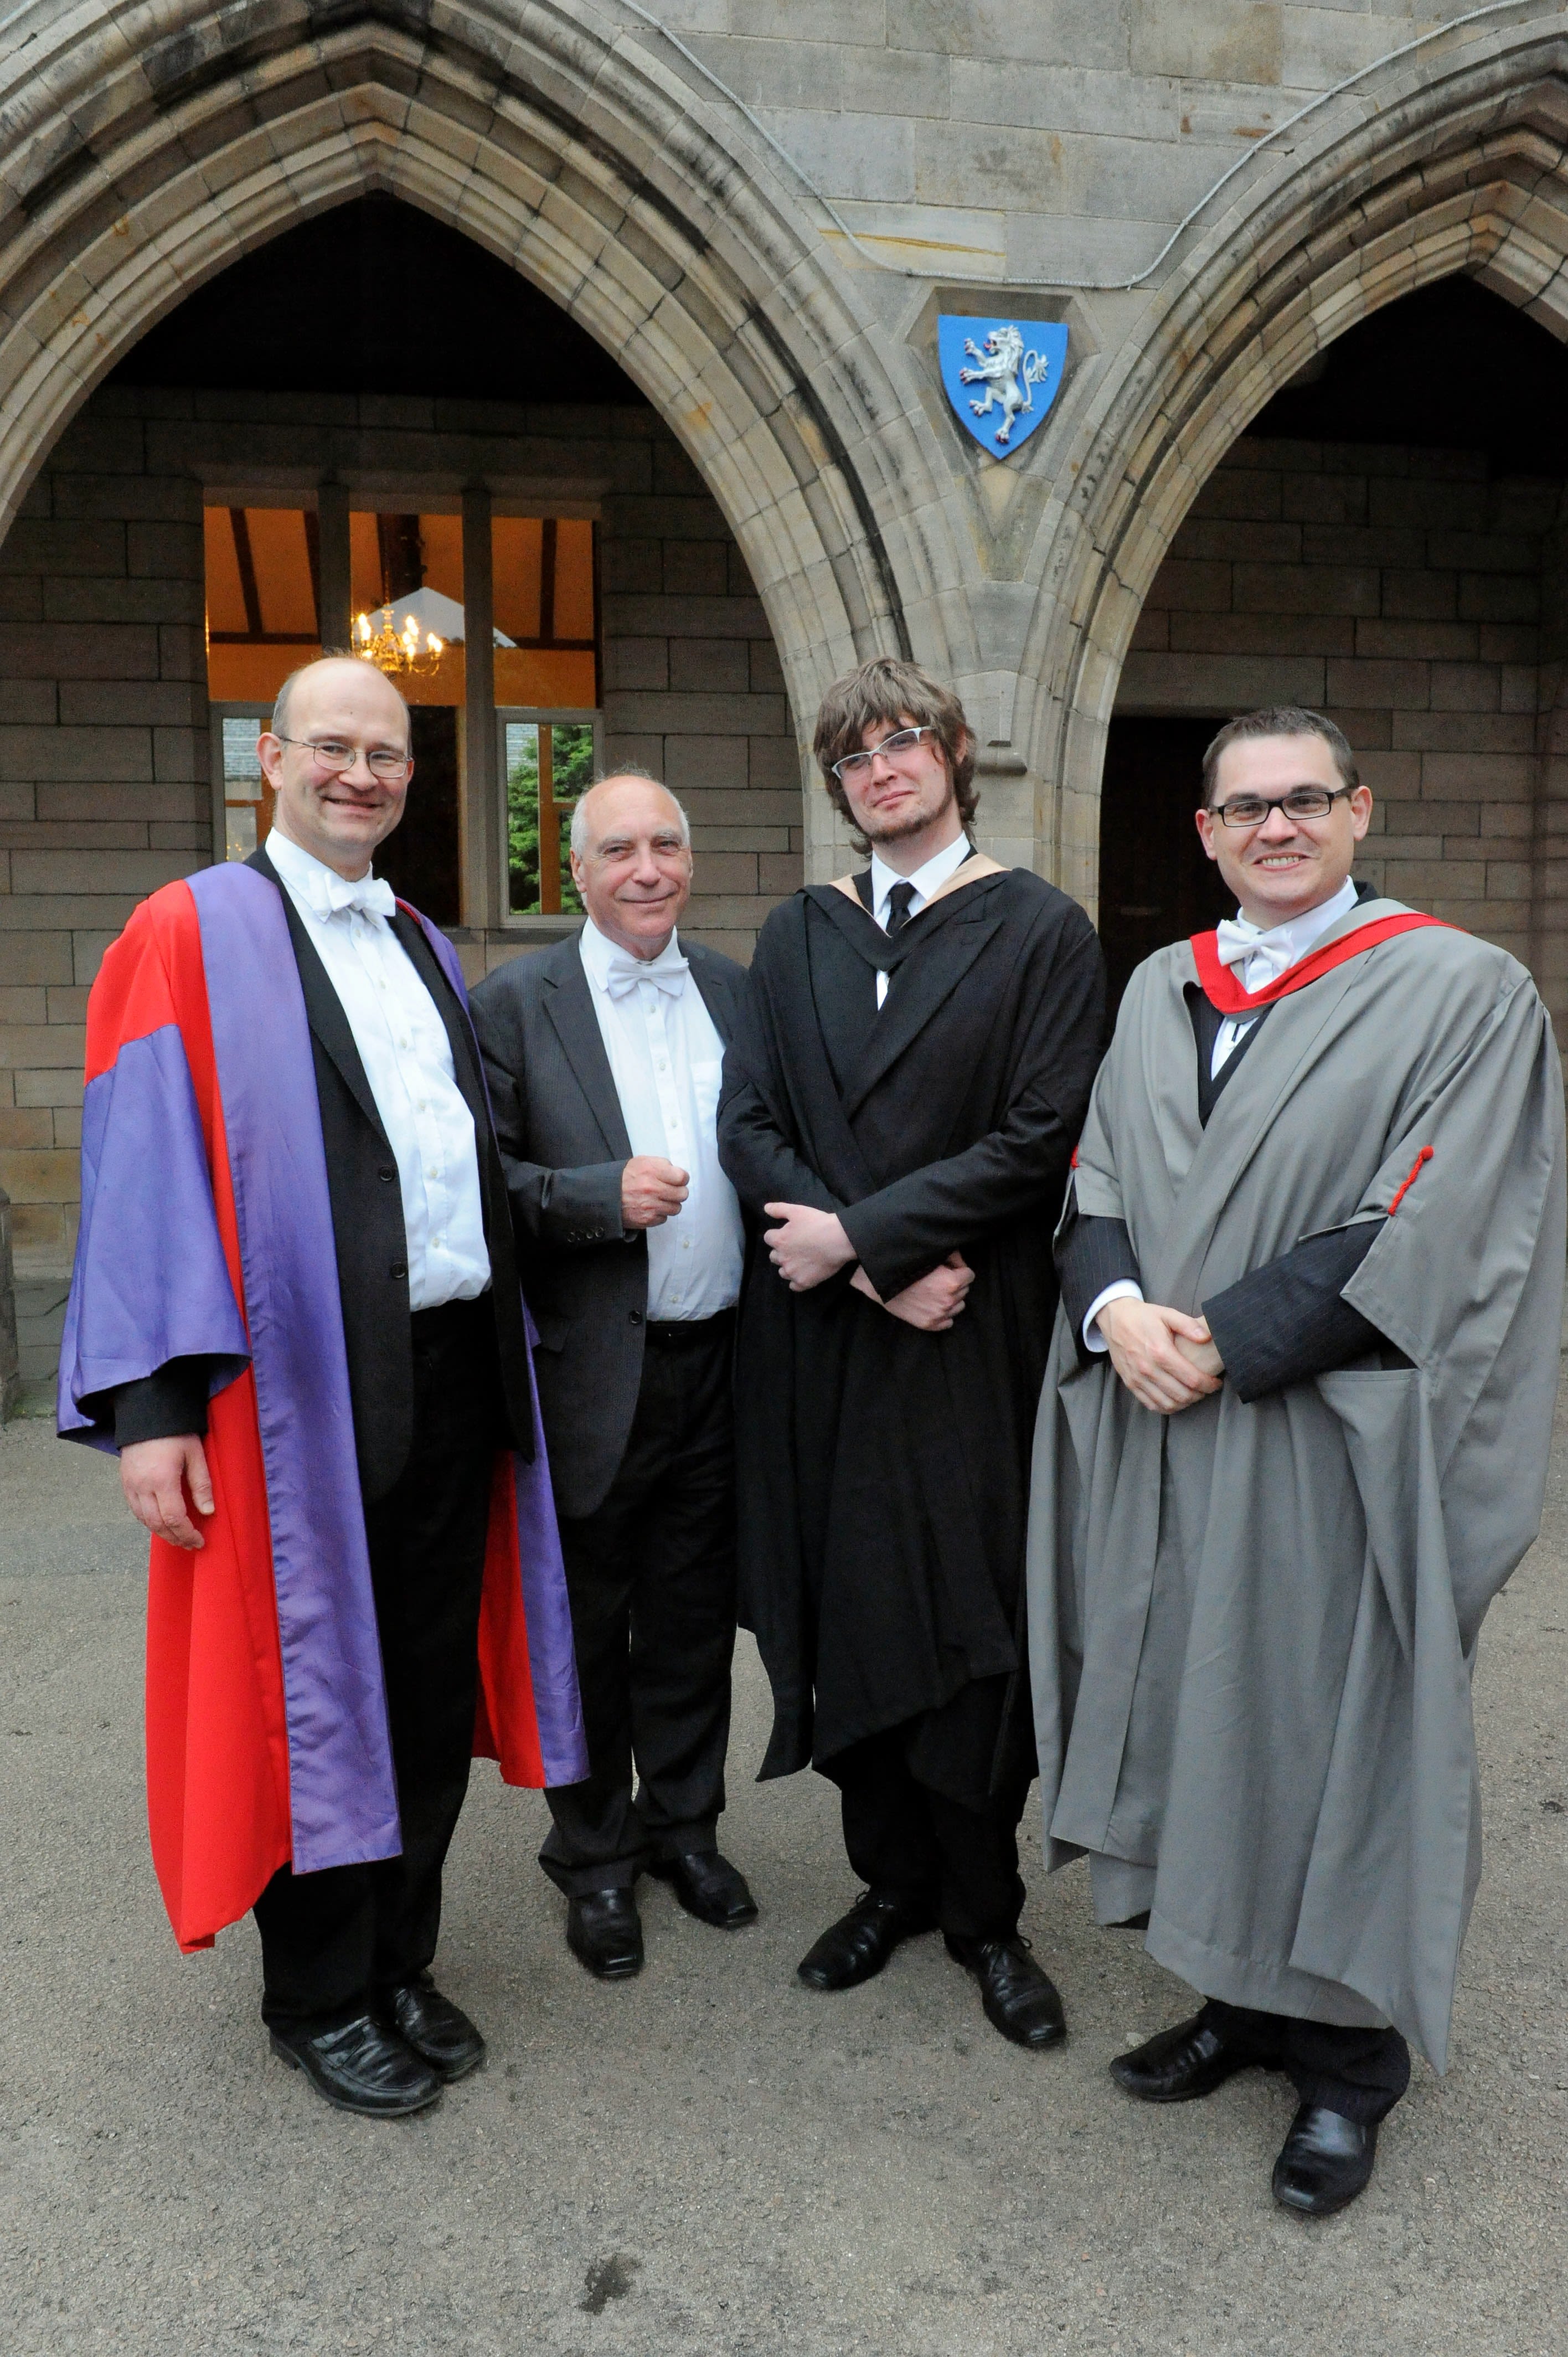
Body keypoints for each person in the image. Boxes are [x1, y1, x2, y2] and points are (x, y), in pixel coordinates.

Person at [1028, 704, 1565, 2215]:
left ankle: (1348, 2066)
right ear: (1204, 832)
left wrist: (1229, 1340)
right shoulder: (1157, 986)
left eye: (1304, 800)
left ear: (1358, 814)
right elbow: (1098, 1170)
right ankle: (1241, 2000)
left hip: (1327, 1432)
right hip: (1169, 1420)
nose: (1275, 826)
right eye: (1244, 807)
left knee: (1333, 1720)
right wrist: (1121, 1312)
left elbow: (1438, 1215)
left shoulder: (1461, 990)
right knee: (1214, 1708)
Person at [58, 656, 586, 2119]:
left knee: (421, 1691)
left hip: (453, 1366)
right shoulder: (191, 931)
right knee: (311, 1694)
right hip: (294, 1386)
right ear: (271, 763)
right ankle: (320, 1995)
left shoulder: (424, 936)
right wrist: (155, 1411)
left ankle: (402, 1959)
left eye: (390, 756)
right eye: (333, 748)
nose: (363, 774)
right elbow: (141, 1171)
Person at [717, 657, 1105, 2048]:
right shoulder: (799, 931)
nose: (880, 770)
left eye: (902, 744)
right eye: (854, 758)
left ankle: (985, 1915)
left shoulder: (1041, 931)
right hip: (835, 1329)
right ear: (837, 788)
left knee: (966, 1616)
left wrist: (864, 1238)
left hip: (971, 1329)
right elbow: (749, 1122)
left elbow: (1039, 1136)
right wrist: (863, 1266)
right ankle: (888, 1884)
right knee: (841, 1599)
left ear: (954, 754)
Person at [470, 773, 756, 1980]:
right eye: (619, 850)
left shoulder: (741, 992)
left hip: (721, 1367)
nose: (648, 869)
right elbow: (477, 1185)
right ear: (574, 871)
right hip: (589, 1376)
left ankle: (683, 1828)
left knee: (691, 1622)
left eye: (667, 846)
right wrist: (595, 1198)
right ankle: (591, 1858)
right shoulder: (513, 1002)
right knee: (585, 1628)